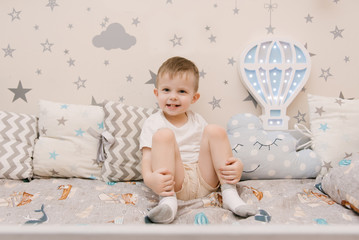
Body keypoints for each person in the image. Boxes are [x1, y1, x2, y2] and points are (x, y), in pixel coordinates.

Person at [139, 56, 257, 223]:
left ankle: (230, 194)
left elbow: (214, 151)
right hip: (174, 182)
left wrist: (235, 166)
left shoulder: (198, 120)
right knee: (163, 135)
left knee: (215, 130)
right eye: (166, 90)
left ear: (194, 98)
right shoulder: (153, 123)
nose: (173, 97)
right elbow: (147, 160)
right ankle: (168, 202)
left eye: (181, 91)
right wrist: (151, 180)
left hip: (204, 178)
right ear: (156, 93)